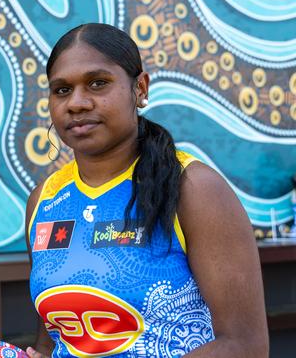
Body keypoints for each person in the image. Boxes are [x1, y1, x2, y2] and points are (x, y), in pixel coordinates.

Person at [23, 23, 268, 357]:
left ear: (139, 88)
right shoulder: (44, 201)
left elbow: (245, 345)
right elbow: (52, 340)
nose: (77, 103)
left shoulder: (195, 189)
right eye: (62, 90)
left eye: (98, 83)